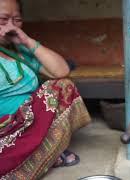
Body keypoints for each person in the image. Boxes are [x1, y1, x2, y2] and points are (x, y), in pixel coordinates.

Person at [0, 0, 91, 179]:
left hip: (32, 124)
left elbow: (61, 70)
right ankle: (42, 154)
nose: (11, 25)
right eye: (3, 19)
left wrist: (26, 41)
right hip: (5, 133)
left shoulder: (19, 51)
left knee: (63, 86)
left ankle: (37, 153)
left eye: (17, 19)